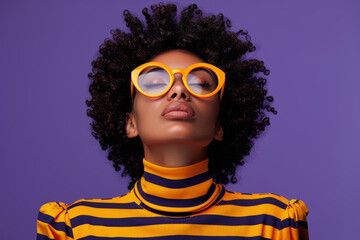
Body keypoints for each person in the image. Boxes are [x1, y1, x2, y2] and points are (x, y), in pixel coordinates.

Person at [36, 3, 309, 240]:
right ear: (130, 123)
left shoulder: (274, 224)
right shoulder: (74, 227)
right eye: (154, 82)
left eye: (200, 83)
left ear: (219, 126)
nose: (179, 90)